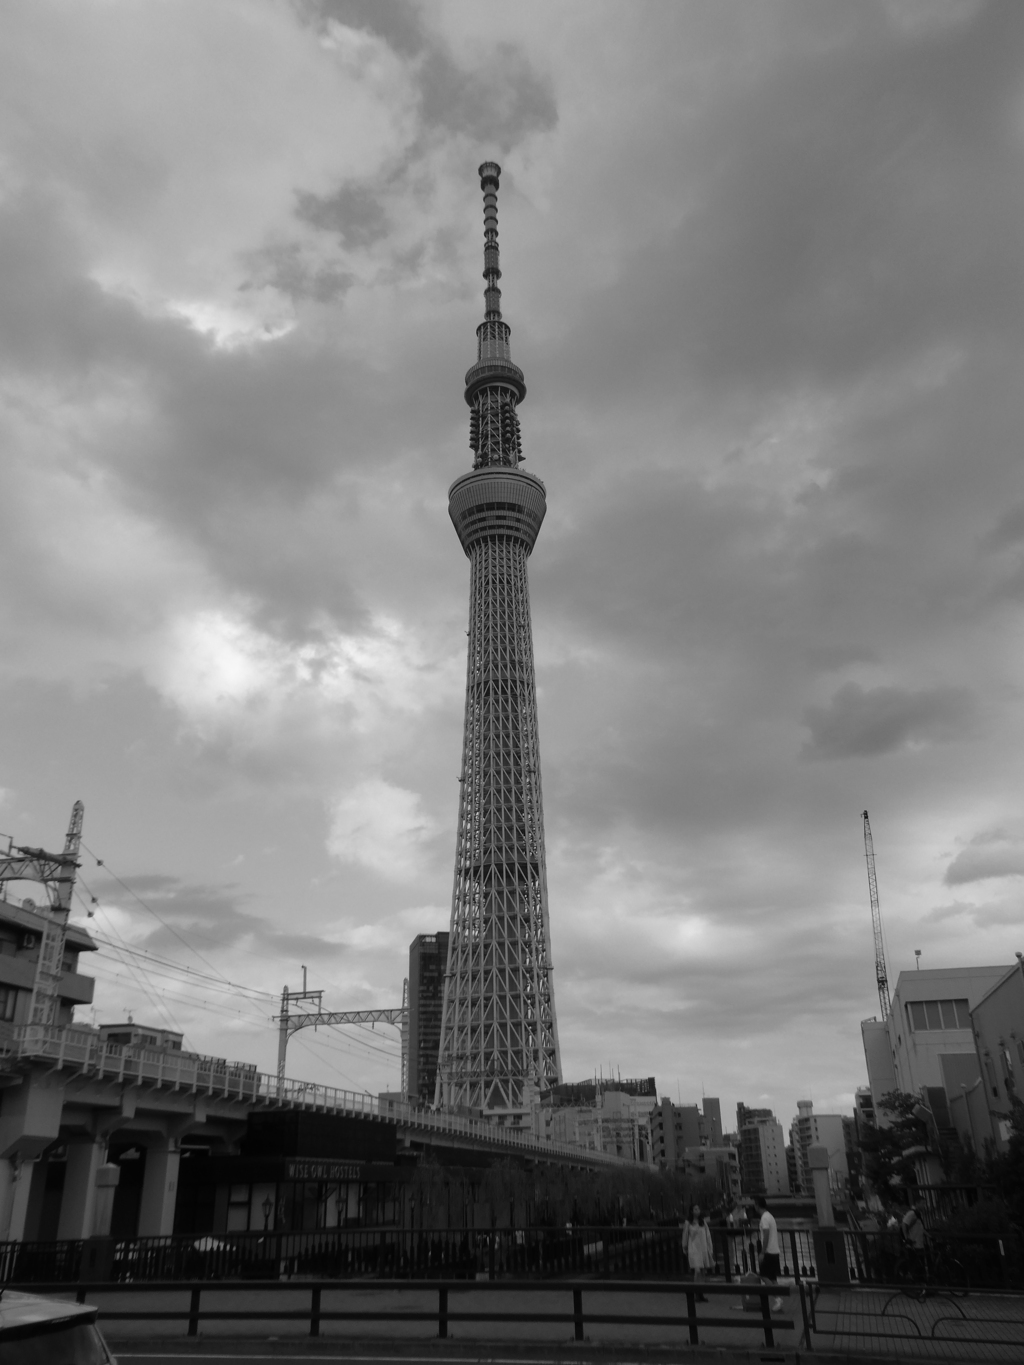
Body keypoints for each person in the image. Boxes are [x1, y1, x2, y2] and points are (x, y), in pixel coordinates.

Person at [754, 1195, 783, 1314]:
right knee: (773, 1278)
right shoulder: (770, 1216)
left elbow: (765, 1235)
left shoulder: (764, 1218)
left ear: (757, 1206)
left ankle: (778, 1299)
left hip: (768, 1252)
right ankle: (778, 1300)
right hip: (774, 1250)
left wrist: (762, 1252)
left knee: (764, 1276)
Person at [681, 1203, 715, 1301]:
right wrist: (684, 1247)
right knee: (697, 1271)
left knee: (703, 1272)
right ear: (692, 1211)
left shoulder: (702, 1222)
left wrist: (710, 1248)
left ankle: (701, 1293)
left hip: (703, 1249)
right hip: (694, 1249)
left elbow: (708, 1235)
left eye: (698, 1209)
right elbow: (685, 1235)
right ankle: (697, 1292)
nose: (698, 1211)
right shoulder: (688, 1223)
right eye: (696, 1209)